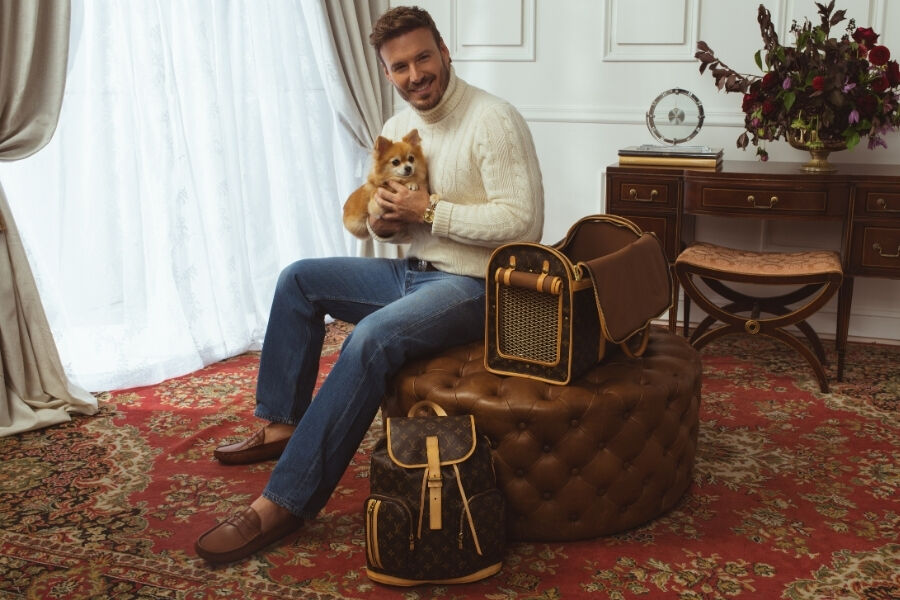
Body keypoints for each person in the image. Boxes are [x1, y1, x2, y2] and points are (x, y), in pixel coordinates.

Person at [194, 5, 544, 564]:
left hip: (477, 287)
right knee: (299, 280)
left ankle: (284, 501)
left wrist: (427, 208)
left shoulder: (492, 118)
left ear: (444, 51)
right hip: (414, 273)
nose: (414, 75)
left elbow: (524, 223)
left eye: (423, 58)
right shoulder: (390, 129)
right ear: (386, 72)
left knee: (372, 337)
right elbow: (399, 230)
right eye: (399, 67)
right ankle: (284, 423)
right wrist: (386, 223)